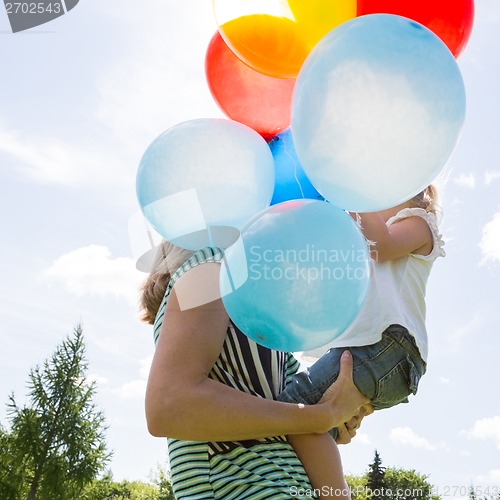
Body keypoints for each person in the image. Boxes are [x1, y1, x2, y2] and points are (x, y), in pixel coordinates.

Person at [140, 242, 372, 499]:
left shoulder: (260, 321)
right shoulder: (213, 270)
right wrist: (323, 416)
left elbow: (296, 420)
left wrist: (332, 415)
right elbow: (170, 405)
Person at [277, 185, 445, 498]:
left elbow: (380, 243)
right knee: (312, 426)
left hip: (388, 347)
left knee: (293, 408)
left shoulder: (419, 222)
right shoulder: (362, 246)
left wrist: (349, 187)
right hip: (373, 353)